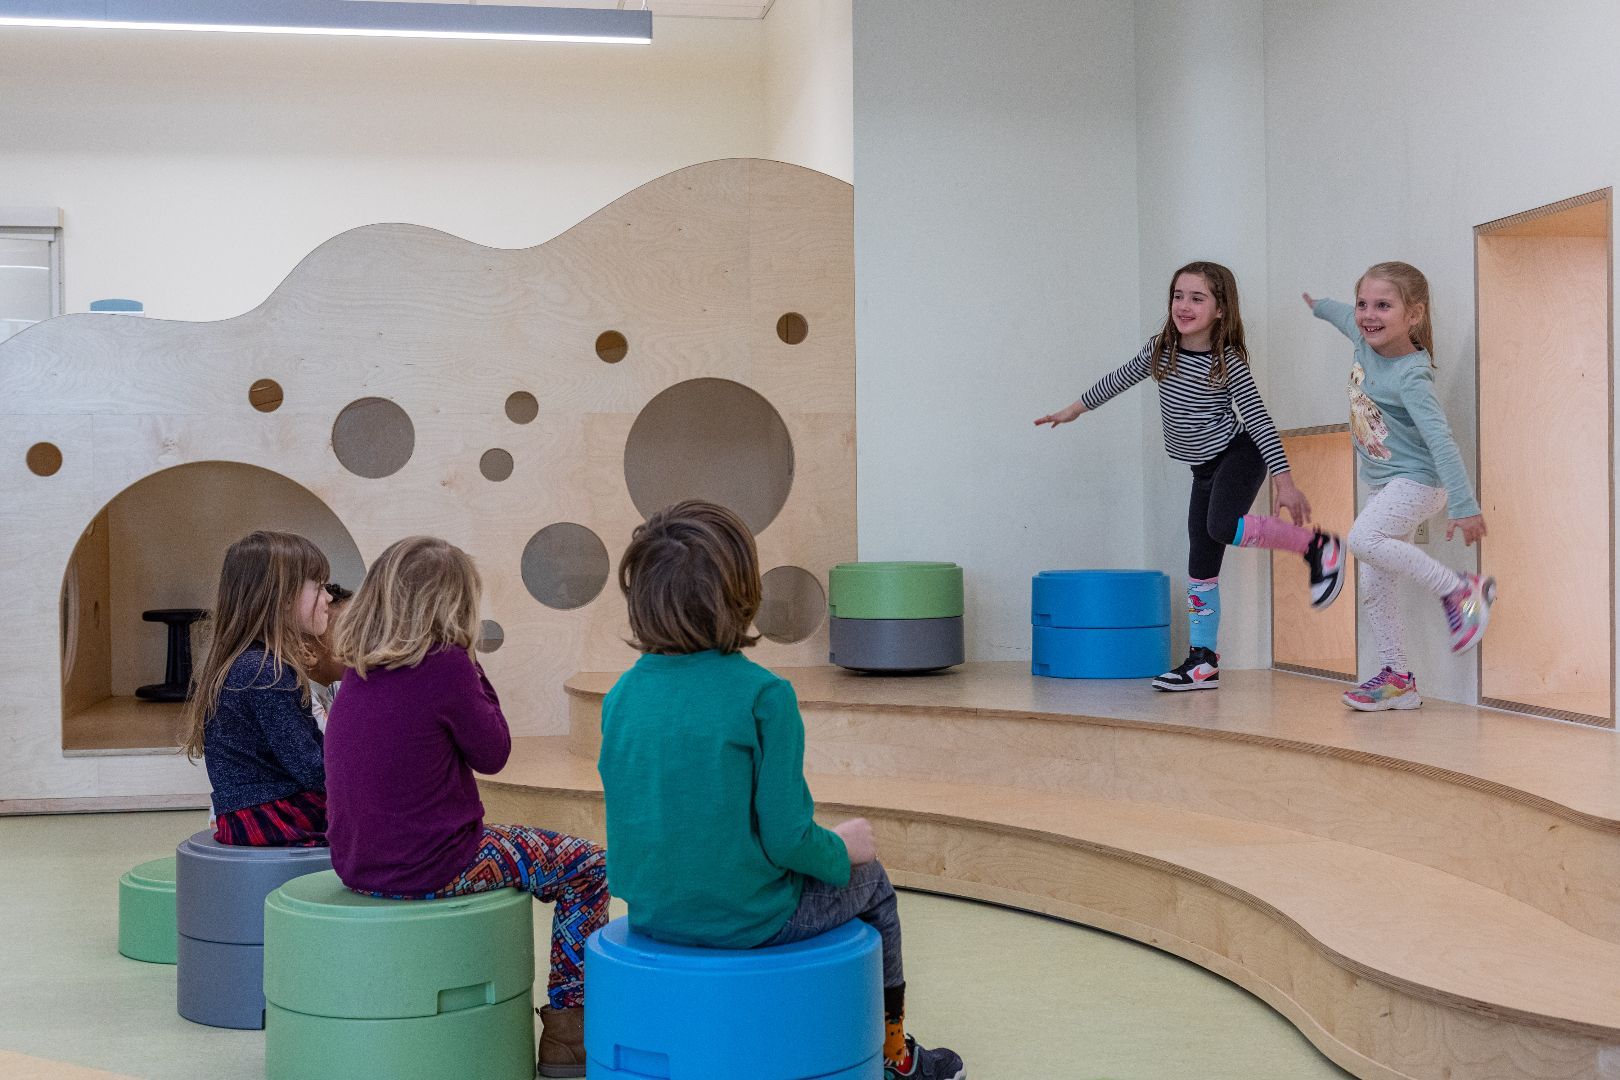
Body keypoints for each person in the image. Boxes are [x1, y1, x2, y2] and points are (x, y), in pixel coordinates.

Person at [597, 500, 965, 1079]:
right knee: (875, 885)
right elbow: (789, 840)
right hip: (749, 917)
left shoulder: (620, 697)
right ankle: (896, 1053)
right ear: (742, 592)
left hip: (652, 912)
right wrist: (844, 850)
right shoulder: (764, 695)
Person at [323, 535, 606, 1078]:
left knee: (524, 845)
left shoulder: (358, 669)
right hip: (434, 861)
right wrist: (473, 664)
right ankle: (568, 1031)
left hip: (356, 861)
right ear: (454, 606)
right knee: (588, 866)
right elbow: (495, 752)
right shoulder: (446, 665)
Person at [1037, 261, 1343, 691]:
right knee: (1200, 565)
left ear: (1221, 309)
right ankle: (1203, 661)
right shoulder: (1161, 349)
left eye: (1197, 298)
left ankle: (1316, 546)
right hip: (1203, 469)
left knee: (1220, 526)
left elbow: (1256, 418)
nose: (1184, 305)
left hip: (1240, 452)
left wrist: (1284, 480)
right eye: (1178, 296)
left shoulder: (1226, 361)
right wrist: (1074, 409)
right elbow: (1119, 378)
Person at [1304, 262, 1495, 711]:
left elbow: (1442, 442)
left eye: (1383, 306)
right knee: (1375, 579)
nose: (1369, 315)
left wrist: (1465, 505)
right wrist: (1317, 305)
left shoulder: (1412, 375)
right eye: (1363, 304)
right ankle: (1399, 679)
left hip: (1419, 482)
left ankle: (1460, 589)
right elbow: (1340, 314)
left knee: (1362, 539)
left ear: (1414, 315)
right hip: (1387, 484)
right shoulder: (1359, 333)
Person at [182, 530, 335, 846]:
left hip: (252, 813)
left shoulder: (251, 664)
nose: (329, 598)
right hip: (269, 816)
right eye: (320, 587)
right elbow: (313, 770)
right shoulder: (266, 672)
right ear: (284, 596)